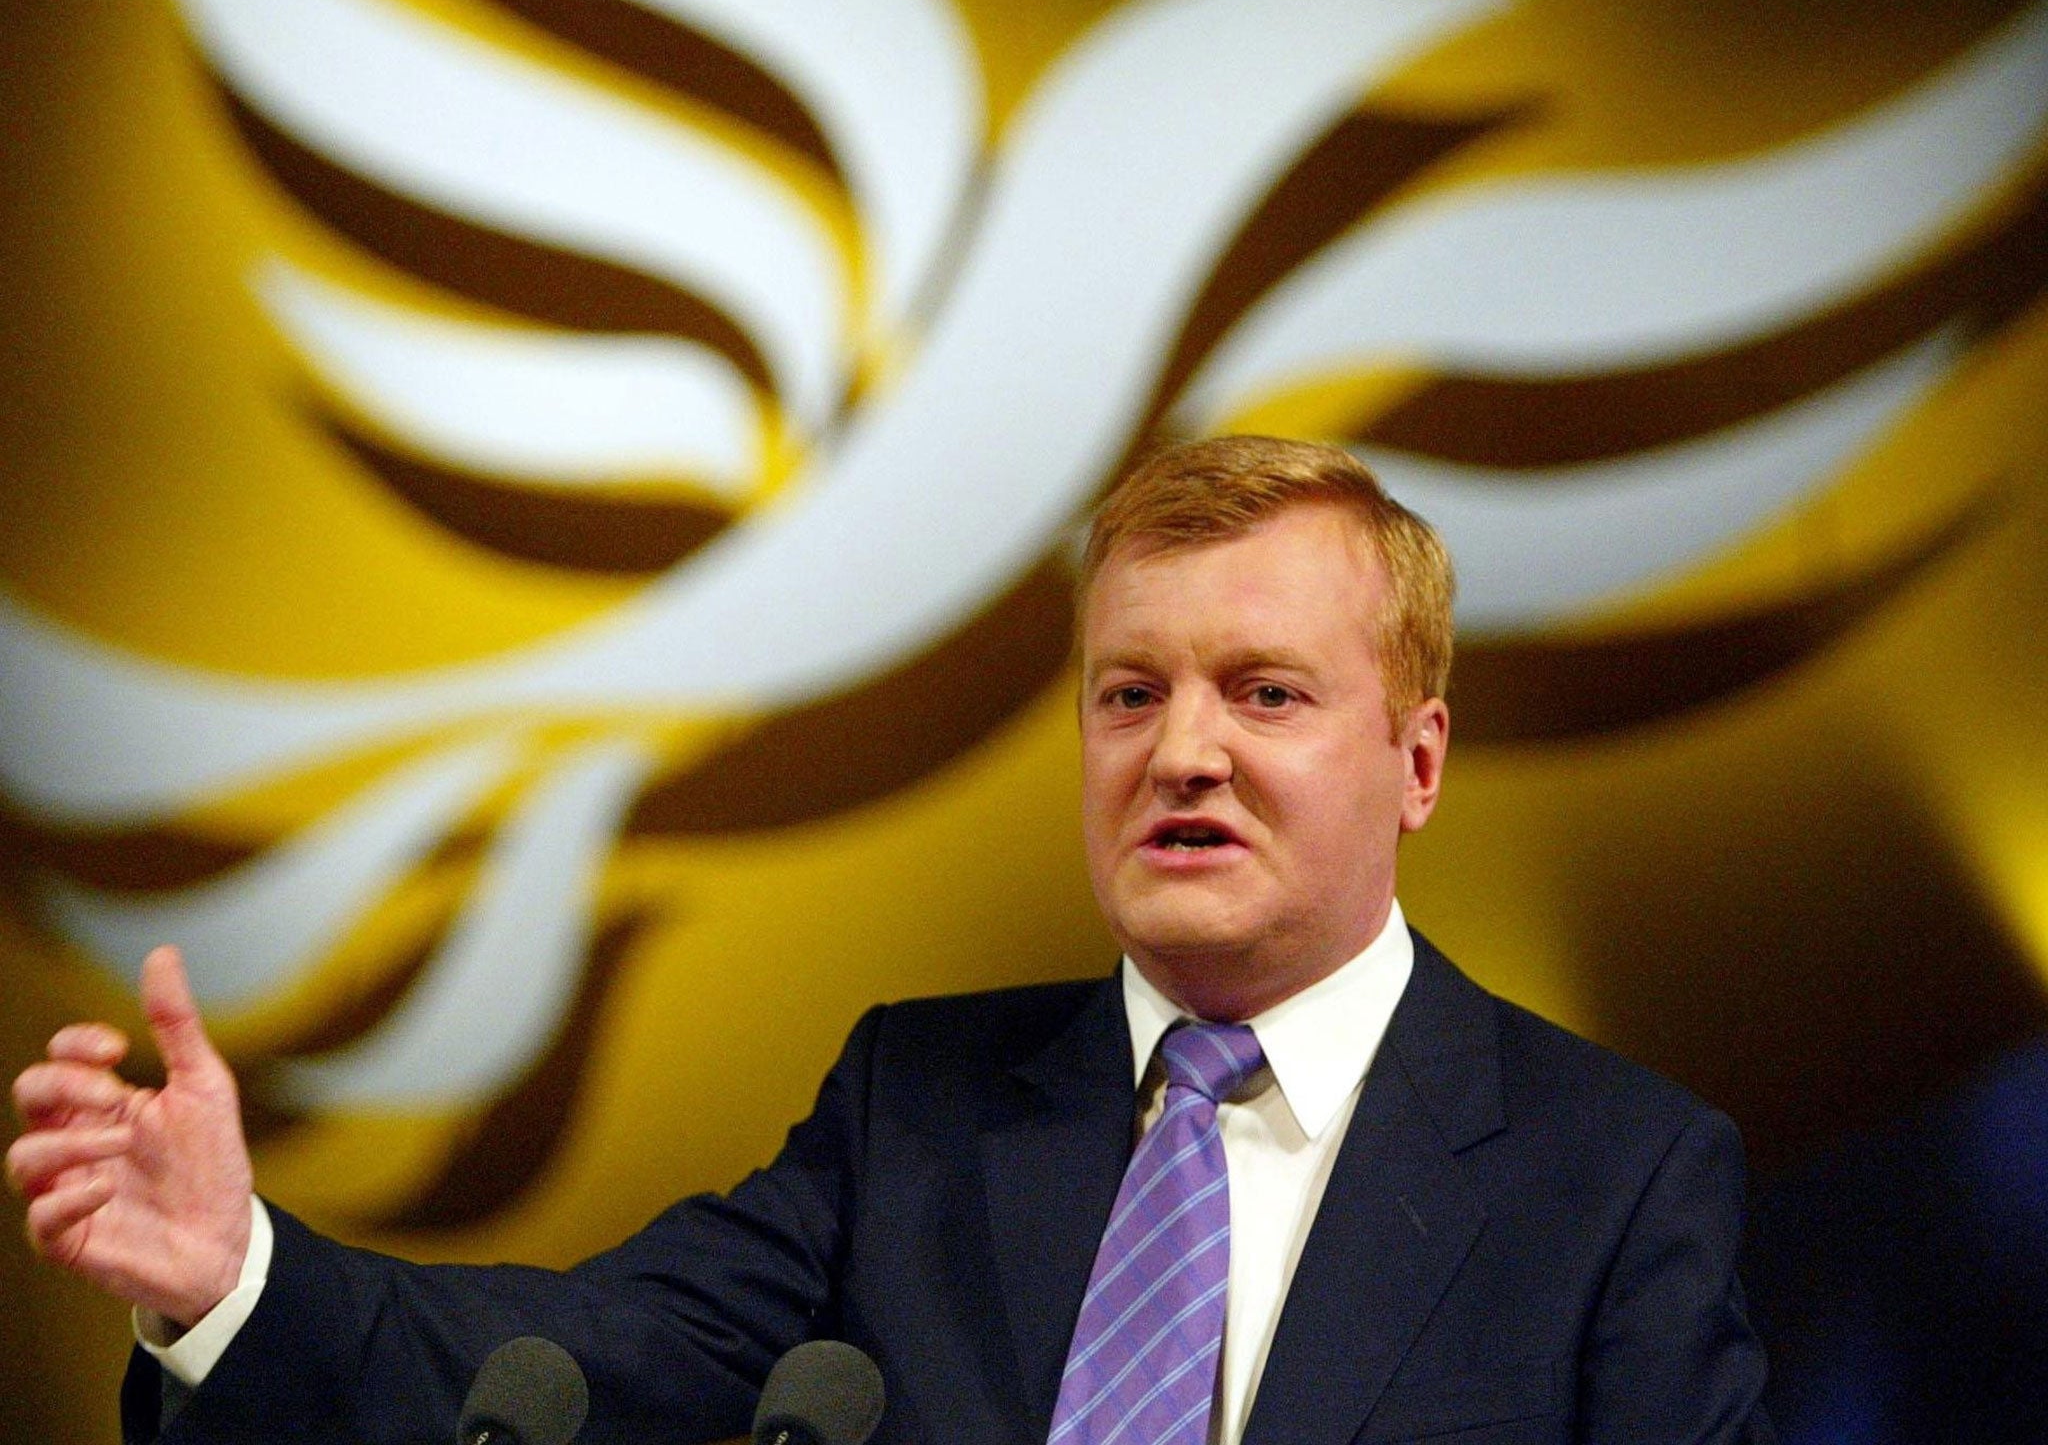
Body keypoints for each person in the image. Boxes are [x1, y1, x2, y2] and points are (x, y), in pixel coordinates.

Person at [8, 436, 1772, 1442]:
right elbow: (572, 1370)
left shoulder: (1612, 1180)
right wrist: (236, 1271)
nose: (1181, 751)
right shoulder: (912, 1110)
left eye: (1267, 693)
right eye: (1129, 693)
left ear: (1419, 757)